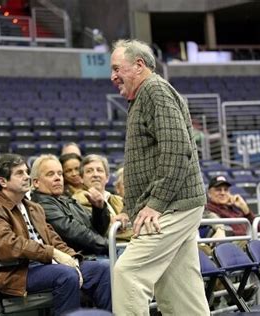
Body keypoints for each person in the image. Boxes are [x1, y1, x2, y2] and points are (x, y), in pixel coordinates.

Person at [110, 39, 210, 315]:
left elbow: (178, 150)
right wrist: (133, 209)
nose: (112, 76)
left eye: (117, 68)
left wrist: (154, 204)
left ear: (139, 65)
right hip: (176, 203)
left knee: (127, 273)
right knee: (181, 292)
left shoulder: (154, 90)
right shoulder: (147, 93)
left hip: (172, 205)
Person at [0, 153, 111, 315]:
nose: (27, 177)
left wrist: (72, 257)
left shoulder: (33, 207)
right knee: (66, 275)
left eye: (27, 172)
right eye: (20, 173)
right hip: (17, 271)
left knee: (102, 269)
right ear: (2, 181)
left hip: (45, 265)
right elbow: (8, 246)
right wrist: (52, 253)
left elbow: (53, 239)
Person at [30, 154, 110, 256]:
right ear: (36, 182)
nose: (57, 178)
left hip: (93, 254)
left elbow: (98, 230)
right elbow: (73, 232)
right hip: (79, 258)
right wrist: (109, 246)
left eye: (60, 173)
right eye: (50, 174)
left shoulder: (66, 200)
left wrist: (99, 209)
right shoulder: (41, 204)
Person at [72, 155, 132, 240]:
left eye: (99, 170)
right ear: (81, 178)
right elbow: (99, 231)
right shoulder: (77, 200)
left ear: (107, 177)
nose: (95, 174)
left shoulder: (118, 200)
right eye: (89, 171)